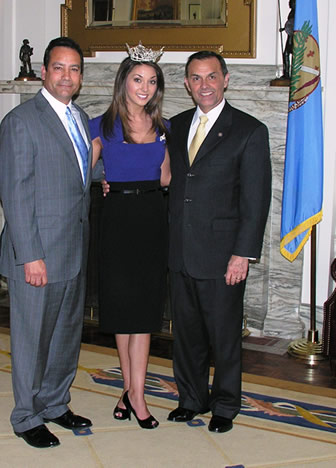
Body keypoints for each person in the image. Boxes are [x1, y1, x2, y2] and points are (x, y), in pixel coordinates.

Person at [167, 50, 271, 433]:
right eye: (196, 78)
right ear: (187, 84)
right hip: (180, 251)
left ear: (226, 79)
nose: (204, 85)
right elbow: (170, 179)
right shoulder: (176, 126)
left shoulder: (249, 130)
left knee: (224, 337)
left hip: (224, 255)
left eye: (211, 77)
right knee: (187, 334)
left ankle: (225, 405)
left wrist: (242, 253)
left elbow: (255, 200)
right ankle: (191, 398)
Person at [0, 37, 93, 448]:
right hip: (37, 254)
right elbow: (15, 195)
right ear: (44, 71)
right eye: (59, 68)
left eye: (74, 69)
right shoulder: (21, 121)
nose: (67, 76)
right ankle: (26, 415)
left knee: (66, 335)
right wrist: (30, 256)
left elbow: (77, 177)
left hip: (73, 250)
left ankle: (54, 403)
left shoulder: (82, 119)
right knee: (33, 339)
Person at [89, 43, 170, 429]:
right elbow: (80, 171)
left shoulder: (164, 129)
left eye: (152, 81)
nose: (145, 87)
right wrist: (103, 182)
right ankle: (136, 395)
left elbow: (167, 178)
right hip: (118, 221)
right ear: (123, 82)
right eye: (138, 79)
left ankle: (131, 391)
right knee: (124, 314)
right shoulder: (101, 126)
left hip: (152, 220)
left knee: (144, 314)